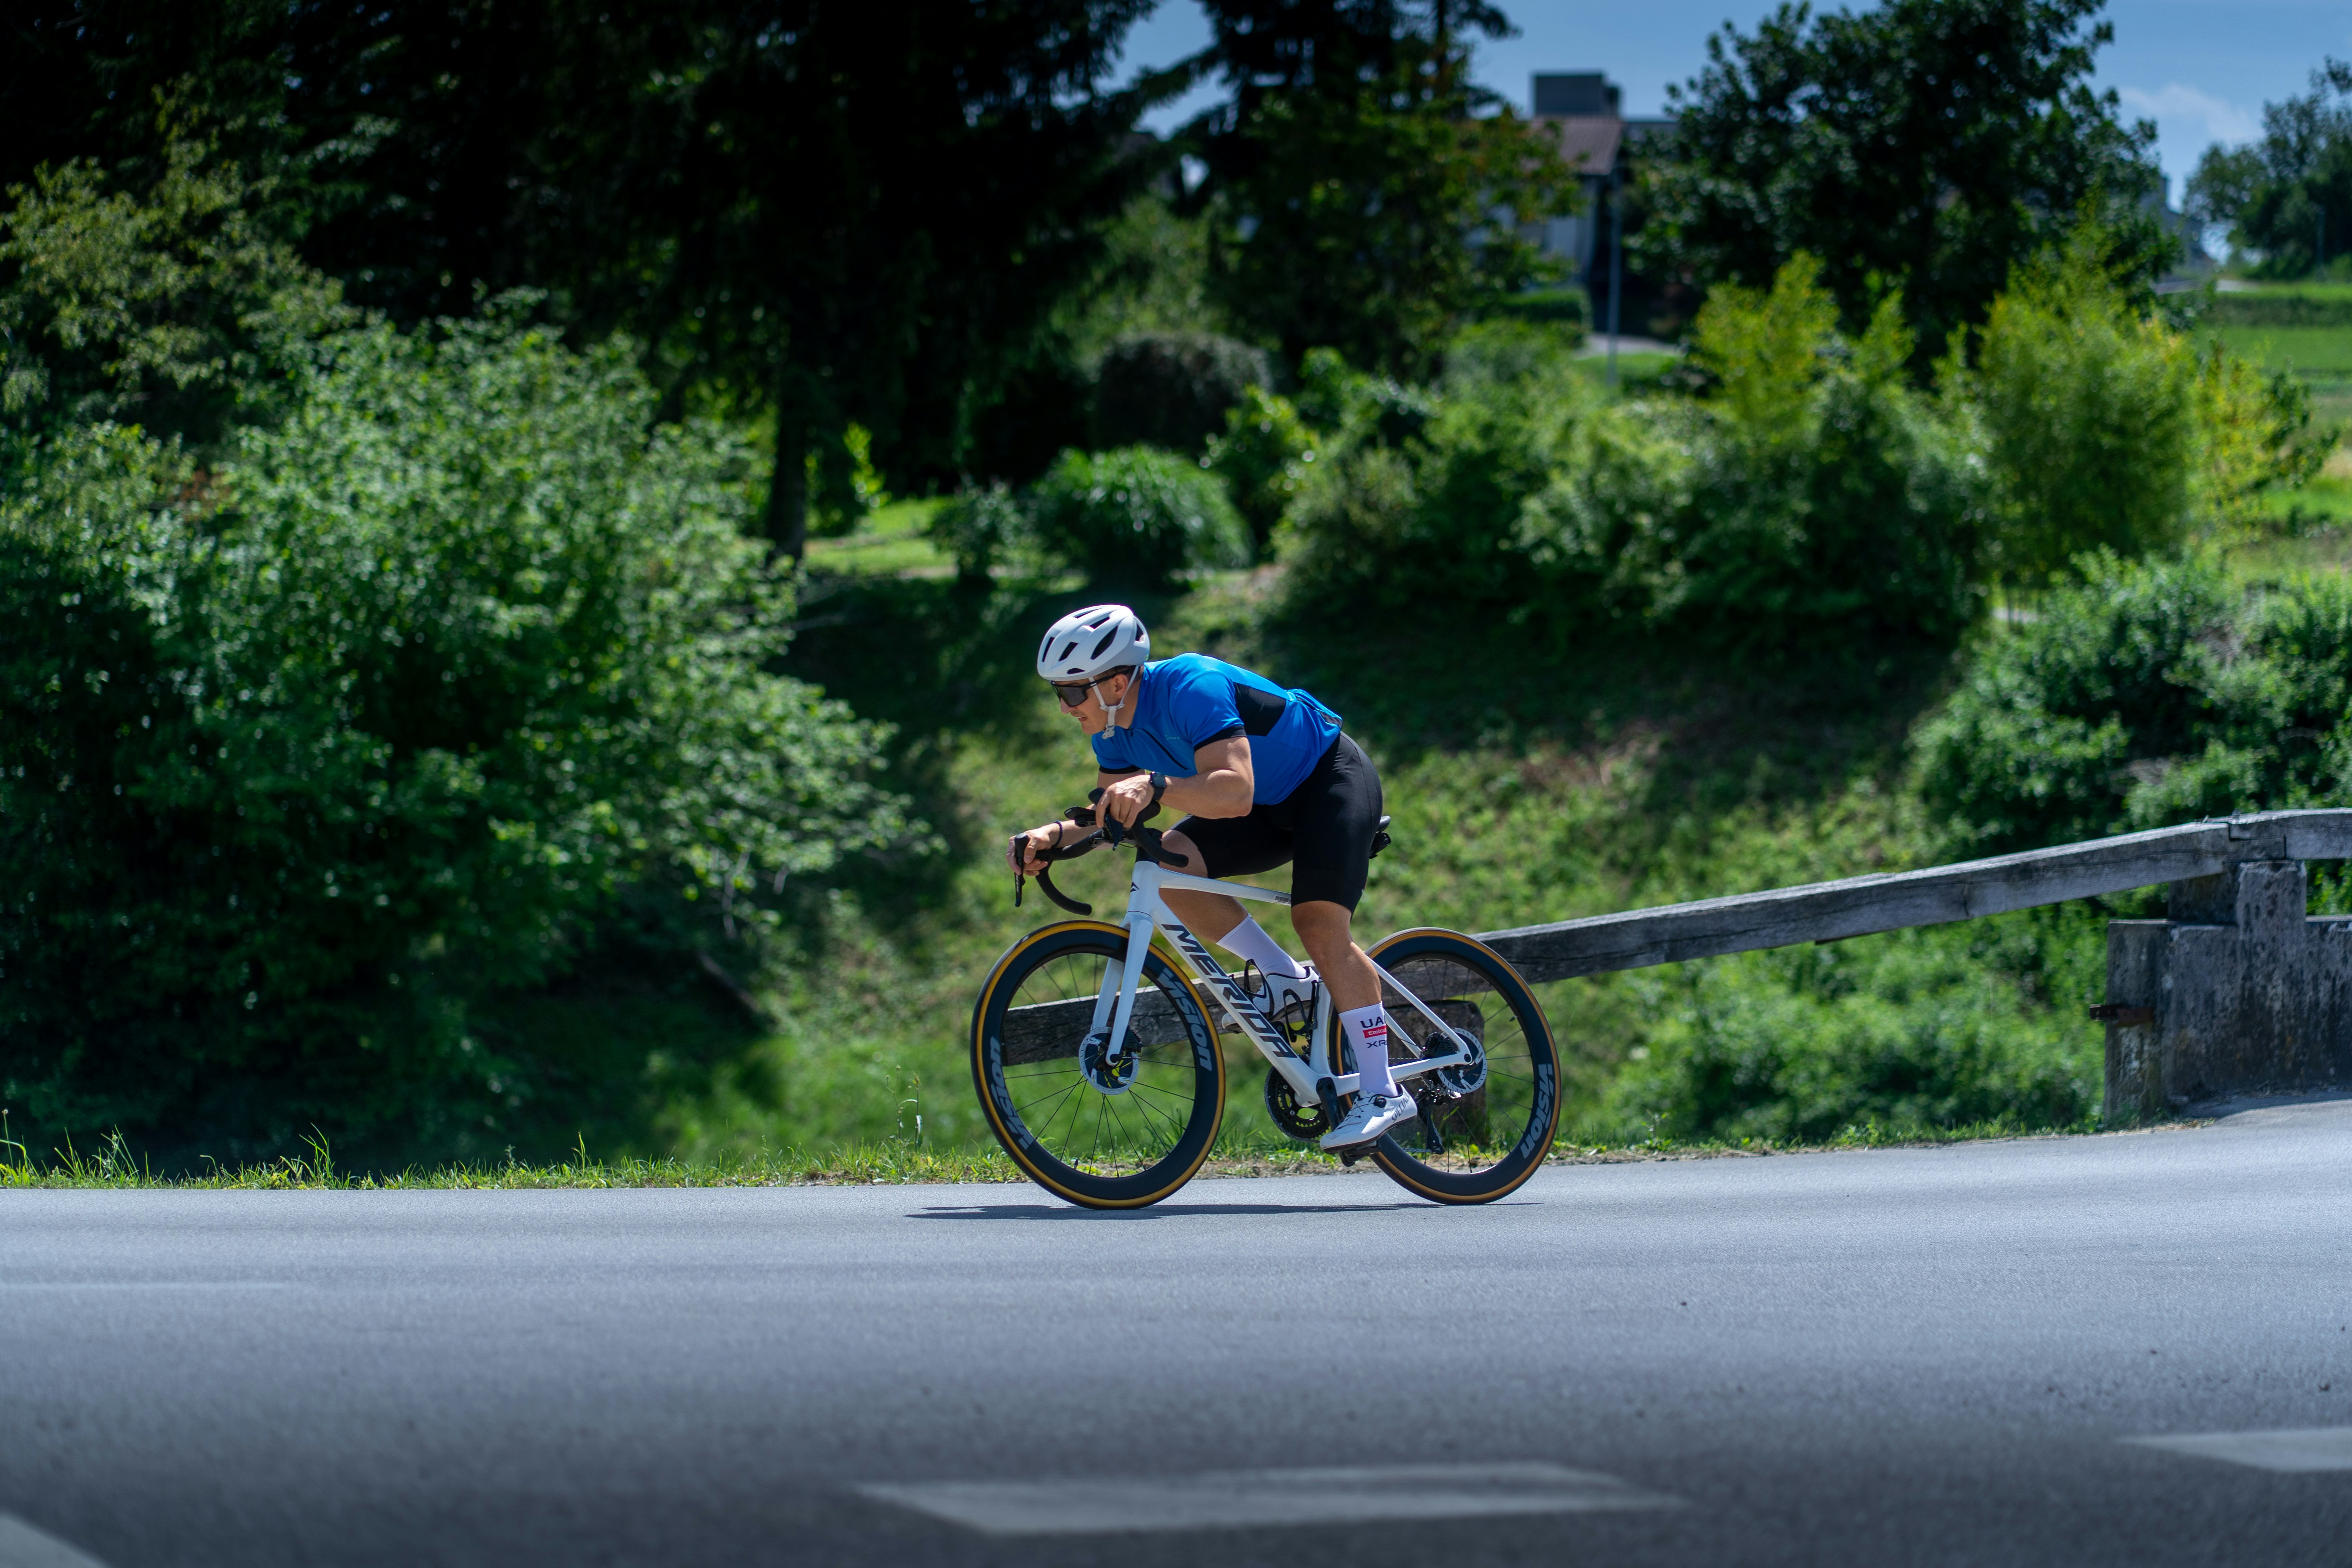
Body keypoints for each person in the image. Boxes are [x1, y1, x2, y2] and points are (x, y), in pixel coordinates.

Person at [1008, 603, 1410, 1150]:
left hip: (1327, 782)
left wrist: (1155, 785)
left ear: (1116, 682)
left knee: (1318, 923)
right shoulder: (1112, 732)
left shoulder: (1191, 687)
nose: (1064, 707)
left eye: (1073, 693)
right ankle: (1284, 977)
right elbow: (1110, 809)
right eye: (1058, 692)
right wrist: (1053, 837)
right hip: (1264, 809)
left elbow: (1234, 789)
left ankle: (1383, 1090)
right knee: (1168, 868)